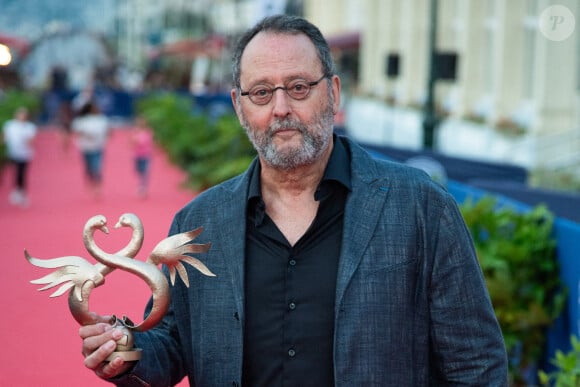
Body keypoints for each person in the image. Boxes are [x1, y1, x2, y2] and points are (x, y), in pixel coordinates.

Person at [80, 15, 508, 386]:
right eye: (262, 92)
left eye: (299, 87)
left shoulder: (421, 207)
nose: (281, 107)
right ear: (239, 106)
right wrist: (126, 351)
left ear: (334, 93)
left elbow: (476, 364)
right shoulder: (198, 223)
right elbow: (172, 342)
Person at [71, 100, 110, 198]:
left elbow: (107, 131)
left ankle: (97, 186)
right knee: (89, 168)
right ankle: (92, 181)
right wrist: (87, 135)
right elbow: (76, 131)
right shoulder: (81, 120)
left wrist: (105, 137)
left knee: (97, 167)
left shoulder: (101, 119)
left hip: (98, 147)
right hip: (86, 147)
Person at [2, 107, 37, 207]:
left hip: (25, 154)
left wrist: (26, 141)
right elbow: (4, 137)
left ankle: (22, 192)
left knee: (22, 173)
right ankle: (17, 191)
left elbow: (31, 140)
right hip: (13, 153)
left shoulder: (30, 127)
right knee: (15, 172)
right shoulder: (10, 125)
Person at [130, 116, 154, 197]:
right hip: (137, 155)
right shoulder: (135, 131)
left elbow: (148, 142)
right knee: (138, 170)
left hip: (146, 155)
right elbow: (131, 142)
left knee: (145, 172)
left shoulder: (148, 131)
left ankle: (143, 187)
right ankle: (142, 185)